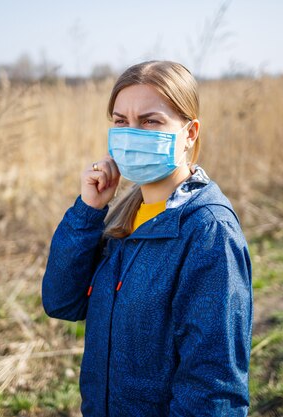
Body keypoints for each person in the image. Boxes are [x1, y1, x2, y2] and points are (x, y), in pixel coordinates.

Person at [42, 60, 253, 416]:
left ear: (189, 133)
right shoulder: (123, 218)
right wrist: (88, 210)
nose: (131, 133)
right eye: (121, 121)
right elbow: (61, 301)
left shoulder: (208, 231)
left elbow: (213, 386)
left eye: (150, 121)